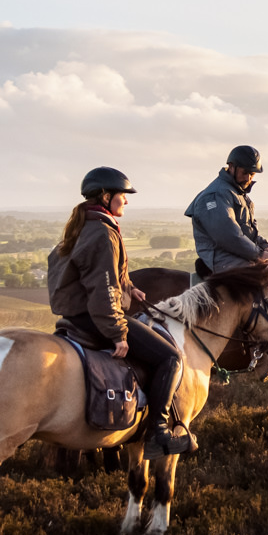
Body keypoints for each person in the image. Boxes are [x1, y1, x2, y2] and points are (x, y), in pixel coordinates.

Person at [48, 166, 194, 458]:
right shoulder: (103, 233)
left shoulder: (84, 226)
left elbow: (105, 273)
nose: (126, 201)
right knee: (171, 357)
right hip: (95, 319)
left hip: (74, 317)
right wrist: (117, 334)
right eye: (122, 196)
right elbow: (102, 291)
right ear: (105, 196)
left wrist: (130, 288)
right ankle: (158, 432)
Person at [186, 145, 268, 277]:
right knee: (256, 282)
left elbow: (247, 230)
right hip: (221, 256)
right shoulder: (216, 194)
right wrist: (259, 254)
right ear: (231, 166)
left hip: (239, 252)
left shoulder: (238, 193)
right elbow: (228, 235)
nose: (248, 178)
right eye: (245, 172)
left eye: (252, 174)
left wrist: (265, 246)